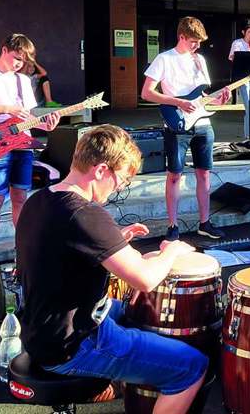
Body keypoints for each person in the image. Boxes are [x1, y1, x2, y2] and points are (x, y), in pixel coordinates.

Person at [17, 125, 207, 413]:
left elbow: (61, 250)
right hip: (73, 344)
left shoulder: (40, 200)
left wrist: (113, 238)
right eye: (121, 179)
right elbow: (146, 279)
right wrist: (172, 250)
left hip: (42, 331)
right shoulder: (85, 214)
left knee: (138, 312)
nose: (119, 187)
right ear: (102, 170)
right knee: (191, 367)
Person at [0, 33, 61, 277]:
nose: (18, 64)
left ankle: (22, 249)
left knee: (20, 197)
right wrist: (5, 108)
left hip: (21, 141)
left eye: (23, 61)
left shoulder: (23, 81)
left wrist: (46, 125)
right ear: (4, 50)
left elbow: (26, 116)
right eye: (16, 58)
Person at [141, 16, 230, 241]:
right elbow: (146, 93)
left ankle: (204, 223)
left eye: (199, 42)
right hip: (177, 122)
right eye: (193, 42)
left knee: (204, 174)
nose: (197, 46)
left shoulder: (199, 60)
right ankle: (172, 226)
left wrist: (220, 101)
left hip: (203, 123)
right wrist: (179, 102)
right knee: (174, 175)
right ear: (181, 37)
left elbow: (202, 97)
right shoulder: (164, 59)